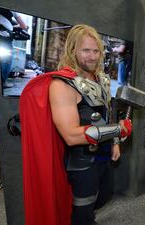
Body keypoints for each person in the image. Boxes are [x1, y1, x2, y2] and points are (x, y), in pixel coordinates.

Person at [20, 24, 132, 225]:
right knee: (83, 210)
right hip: (80, 161)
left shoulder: (101, 79)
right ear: (73, 51)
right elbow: (71, 136)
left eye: (96, 50)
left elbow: (107, 112)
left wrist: (115, 141)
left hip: (104, 154)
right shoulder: (62, 85)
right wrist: (118, 130)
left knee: (105, 194)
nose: (92, 56)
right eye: (86, 50)